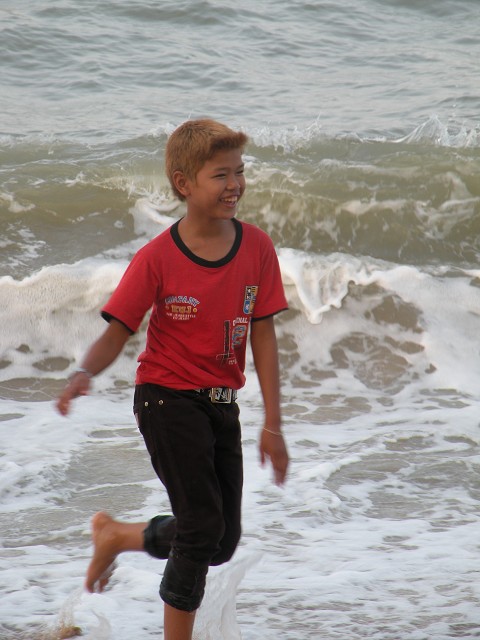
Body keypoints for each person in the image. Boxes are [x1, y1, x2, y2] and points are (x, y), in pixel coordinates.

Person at [56, 118, 289, 640]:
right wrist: (83, 372)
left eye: (239, 171)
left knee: (220, 540)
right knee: (202, 529)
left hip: (221, 403)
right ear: (184, 184)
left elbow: (264, 334)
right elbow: (118, 331)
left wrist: (273, 424)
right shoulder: (158, 258)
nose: (235, 184)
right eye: (220, 175)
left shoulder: (256, 248)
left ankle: (118, 536)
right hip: (165, 399)